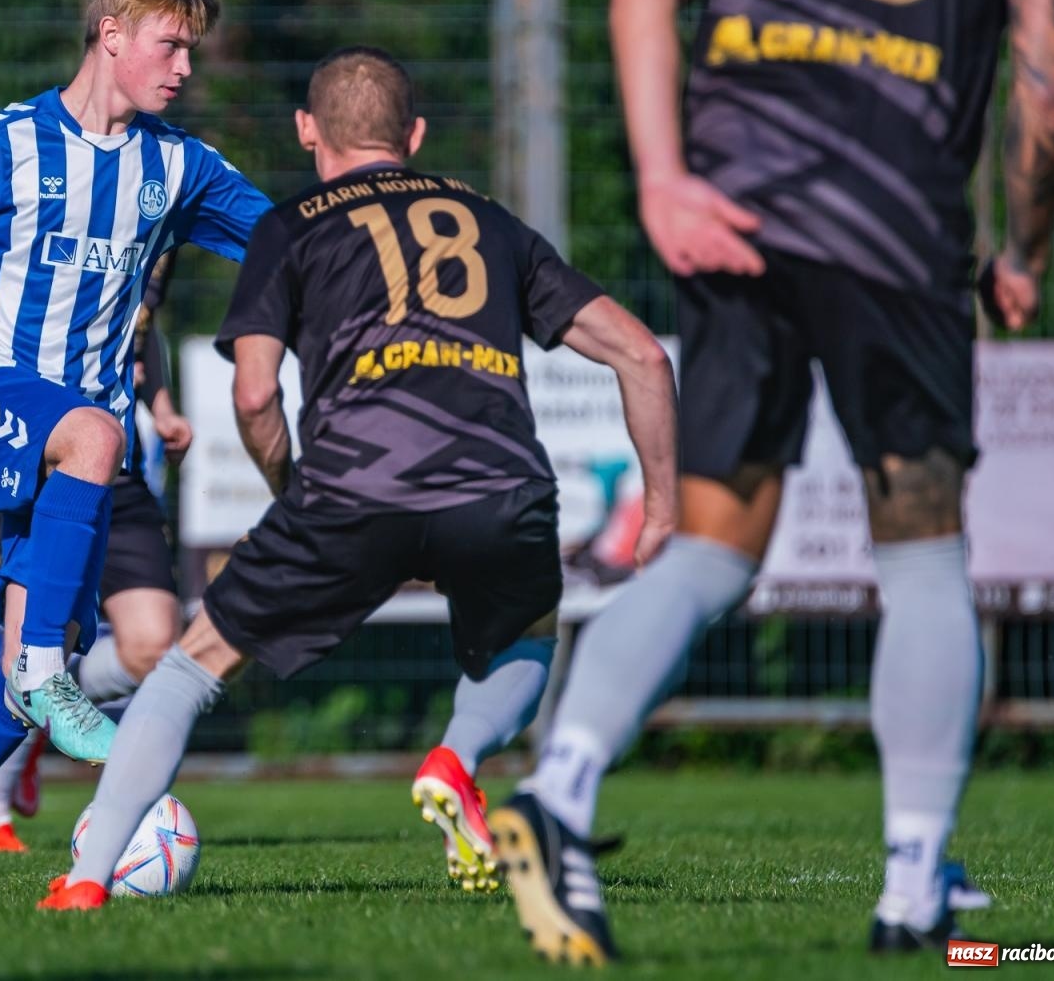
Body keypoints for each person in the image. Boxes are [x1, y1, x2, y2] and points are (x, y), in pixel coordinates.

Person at [492, 0, 1054, 964]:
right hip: (891, 225)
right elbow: (1044, 63)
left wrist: (660, 176)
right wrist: (1024, 246)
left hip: (737, 208)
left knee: (714, 548)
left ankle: (559, 784)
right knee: (922, 553)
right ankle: (913, 884)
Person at [42, 45, 679, 912]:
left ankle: (84, 880)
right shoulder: (492, 220)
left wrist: (289, 492)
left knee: (189, 670)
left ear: (308, 131)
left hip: (350, 489)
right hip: (501, 487)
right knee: (528, 634)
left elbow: (256, 390)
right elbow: (643, 354)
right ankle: (456, 758)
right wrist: (663, 508)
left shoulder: (290, 225)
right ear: (412, 135)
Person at [0, 0, 271, 898]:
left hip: (72, 454)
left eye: (192, 53)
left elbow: (288, 235)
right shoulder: (5, 142)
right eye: (171, 46)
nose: (183, 69)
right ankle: (53, 672)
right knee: (97, 431)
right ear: (113, 33)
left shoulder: (177, 167)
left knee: (22, 671)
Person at [0, 313, 194, 852]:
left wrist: (160, 405)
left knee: (154, 647)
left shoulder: (153, 236)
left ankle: (54, 706)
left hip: (118, 465)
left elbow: (144, 324)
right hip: (33, 457)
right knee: (25, 653)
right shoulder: (29, 245)